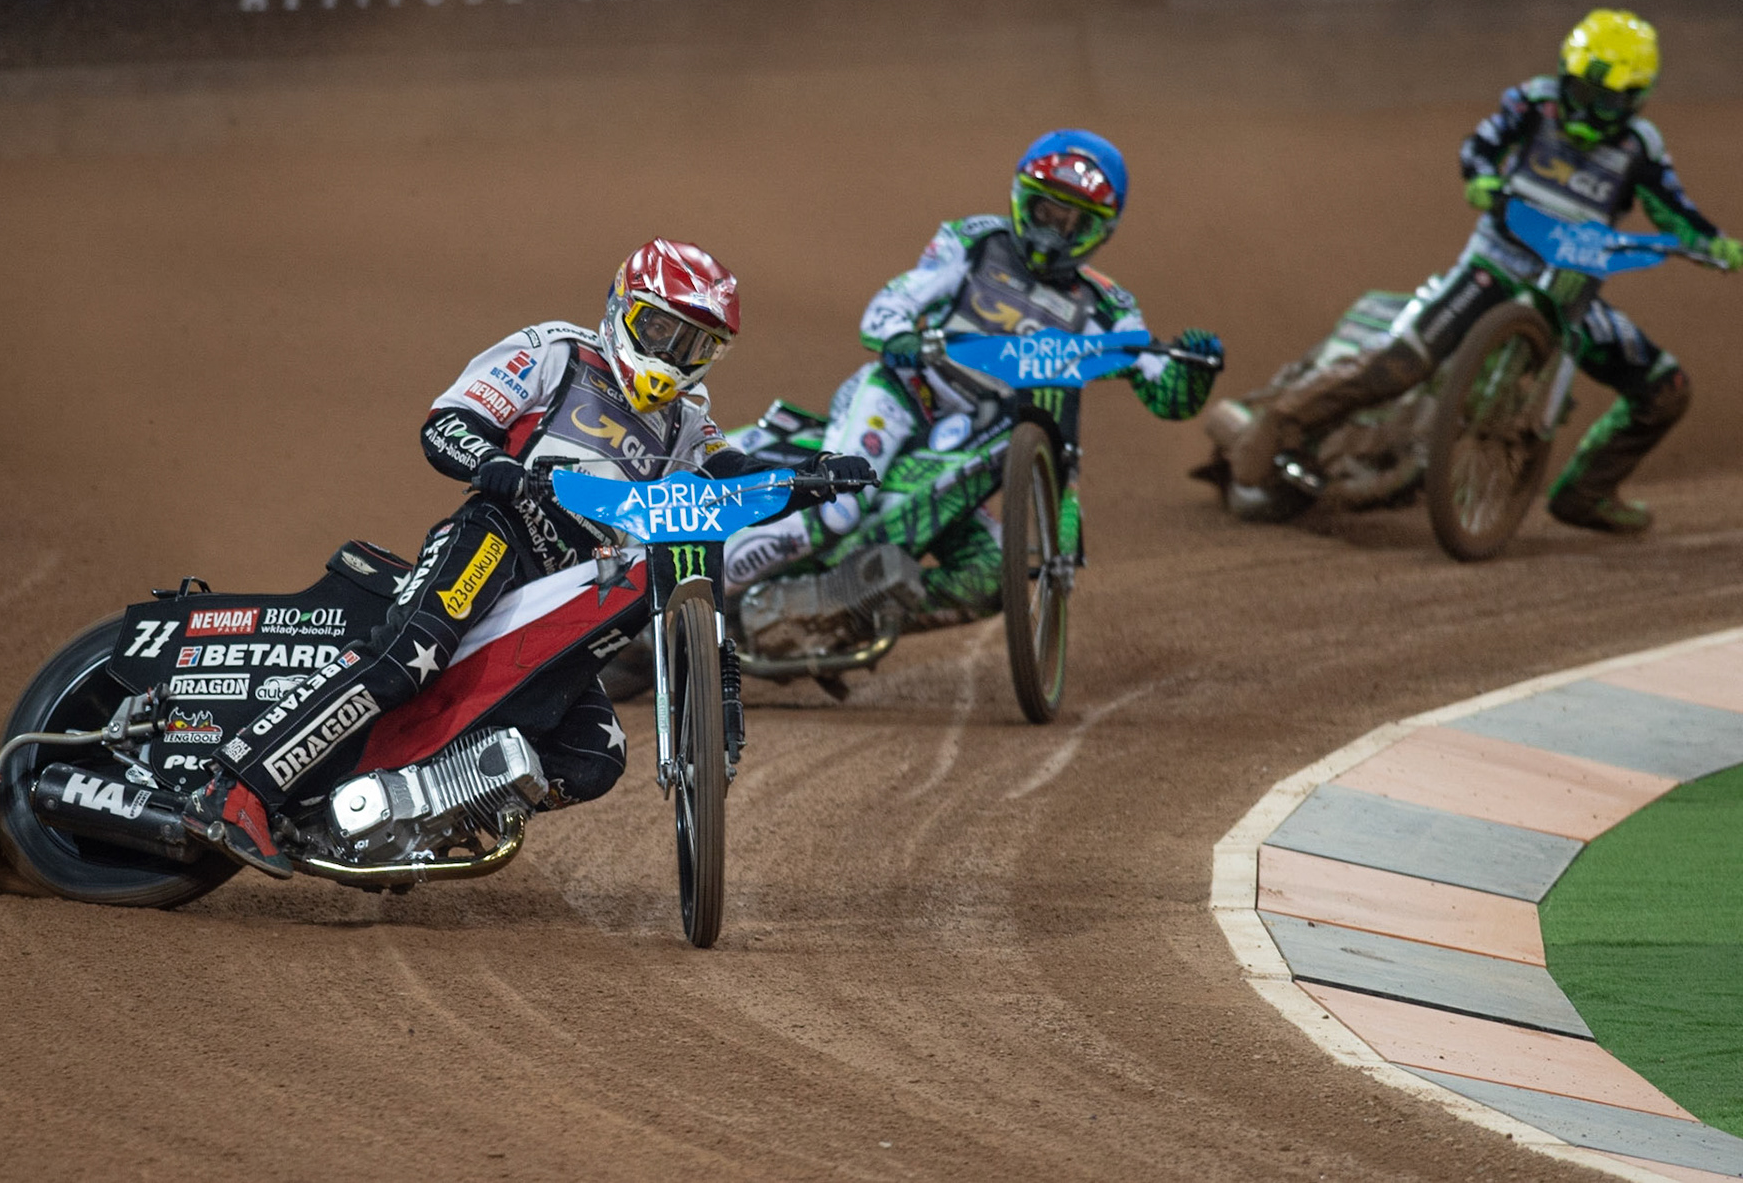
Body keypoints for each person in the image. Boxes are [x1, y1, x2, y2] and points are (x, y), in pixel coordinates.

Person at [181, 239, 870, 877]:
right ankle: (234, 788)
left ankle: (412, 815)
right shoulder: (557, 351)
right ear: (622, 308)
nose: (672, 354)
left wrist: (811, 477)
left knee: (595, 754)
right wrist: (494, 464)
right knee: (409, 654)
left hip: (578, 591)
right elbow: (447, 424)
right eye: (661, 329)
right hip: (500, 536)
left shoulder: (690, 418)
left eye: (695, 343)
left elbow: (732, 476)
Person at [1223, 9, 1741, 532]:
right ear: (1564, 77)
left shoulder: (1640, 148)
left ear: (1634, 100)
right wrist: (1482, 178)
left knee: (1667, 388)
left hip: (1572, 291)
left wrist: (1716, 244)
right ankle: (1279, 423)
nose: (1588, 109)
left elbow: (1675, 209)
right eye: (1582, 92)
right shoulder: (1534, 103)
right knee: (1402, 362)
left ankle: (1586, 492)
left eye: (1606, 101)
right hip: (1495, 264)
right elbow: (1480, 146)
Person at [722, 129, 1222, 624]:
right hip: (903, 399)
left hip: (973, 444)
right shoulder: (975, 241)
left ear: (1099, 230)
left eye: (1071, 221)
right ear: (1023, 199)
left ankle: (832, 613)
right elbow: (897, 299)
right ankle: (704, 597)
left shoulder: (1108, 306)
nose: (1052, 230)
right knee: (838, 509)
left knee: (990, 576)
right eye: (1045, 211)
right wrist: (898, 336)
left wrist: (1194, 371)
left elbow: (1166, 392)